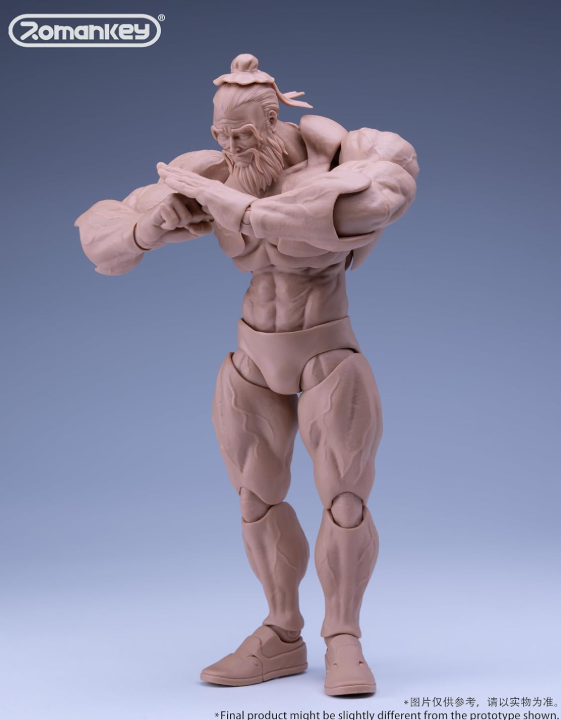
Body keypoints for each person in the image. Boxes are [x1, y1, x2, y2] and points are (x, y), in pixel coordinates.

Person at [75, 53, 419, 696]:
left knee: (345, 499)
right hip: (253, 354)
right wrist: (150, 227)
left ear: (274, 119)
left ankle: (343, 637)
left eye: (244, 135)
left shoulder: (351, 153)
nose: (232, 147)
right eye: (221, 136)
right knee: (255, 499)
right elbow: (102, 238)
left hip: (327, 353)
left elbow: (362, 211)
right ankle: (282, 633)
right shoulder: (215, 171)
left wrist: (226, 205)